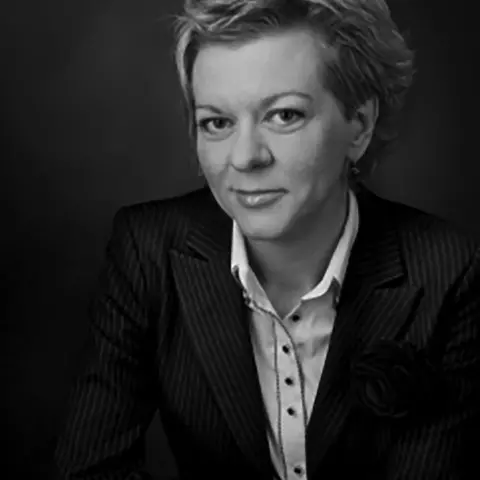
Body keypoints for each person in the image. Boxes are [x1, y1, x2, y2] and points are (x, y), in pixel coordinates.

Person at [54, 0, 480, 479]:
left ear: (359, 125)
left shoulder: (450, 270)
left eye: (283, 115)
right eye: (217, 122)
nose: (245, 157)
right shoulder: (148, 251)